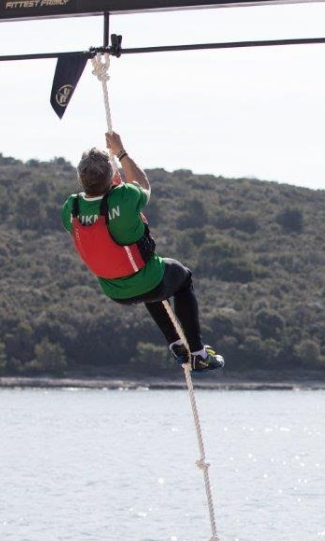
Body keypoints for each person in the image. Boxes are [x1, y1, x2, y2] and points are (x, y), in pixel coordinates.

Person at [61, 132, 223, 372]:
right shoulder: (125, 196)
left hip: (115, 291)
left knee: (149, 282)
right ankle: (198, 353)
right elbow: (144, 184)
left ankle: (177, 344)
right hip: (147, 280)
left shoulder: (71, 208)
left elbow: (97, 218)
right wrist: (121, 152)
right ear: (114, 175)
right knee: (182, 277)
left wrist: (108, 186)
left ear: (81, 178)